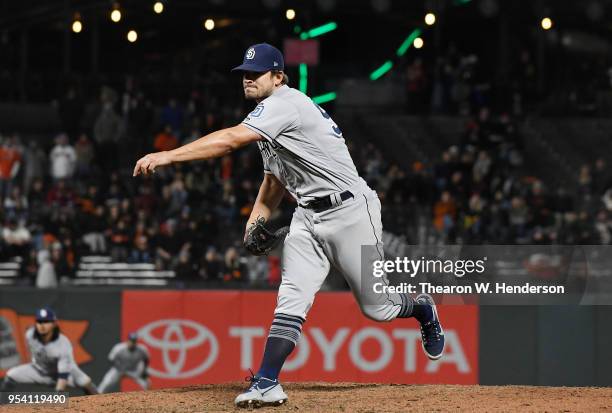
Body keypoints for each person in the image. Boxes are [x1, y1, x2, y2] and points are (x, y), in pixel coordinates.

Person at [133, 43, 445, 408]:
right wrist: (254, 226)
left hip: (350, 213)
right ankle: (267, 381)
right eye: (245, 73)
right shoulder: (270, 117)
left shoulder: (284, 105)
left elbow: (231, 140)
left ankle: (421, 307)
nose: (248, 78)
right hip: (307, 216)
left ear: (278, 76)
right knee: (292, 296)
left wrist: (168, 155)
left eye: (257, 73)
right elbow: (273, 183)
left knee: (377, 308)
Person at [0, 307, 98, 394]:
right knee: (11, 375)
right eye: (40, 322)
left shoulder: (62, 344)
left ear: (54, 324)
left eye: (46, 322)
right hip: (38, 370)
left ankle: (103, 406)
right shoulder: (30, 334)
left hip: (64, 374)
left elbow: (63, 376)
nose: (42, 325)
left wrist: (58, 395)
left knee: (86, 383)